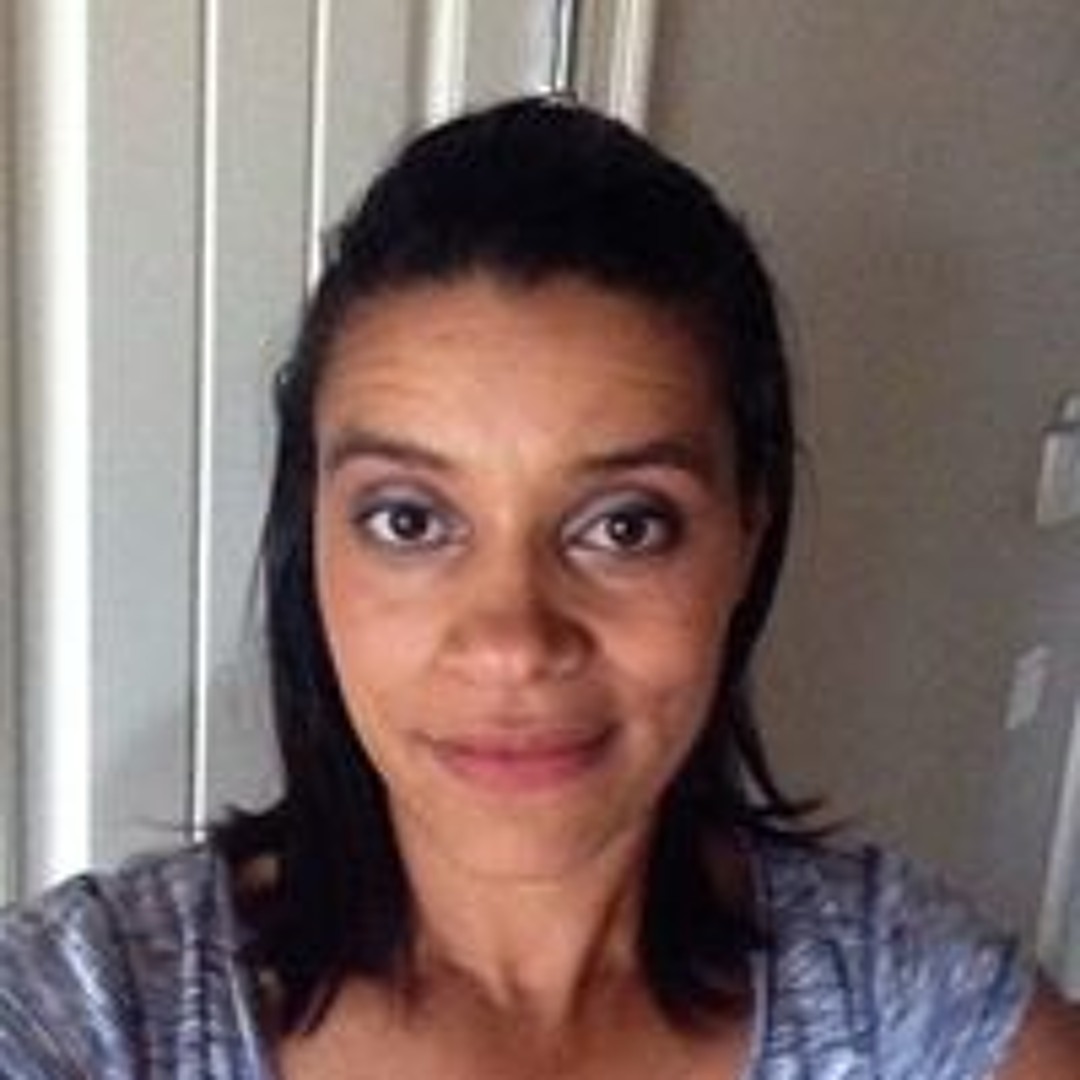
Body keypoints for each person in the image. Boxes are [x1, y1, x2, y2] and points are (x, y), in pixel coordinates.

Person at [1, 96, 1078, 1079]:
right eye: (410, 520)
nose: (512, 641)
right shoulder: (90, 1016)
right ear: (310, 532)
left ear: (749, 531)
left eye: (624, 525)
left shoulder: (913, 1011)